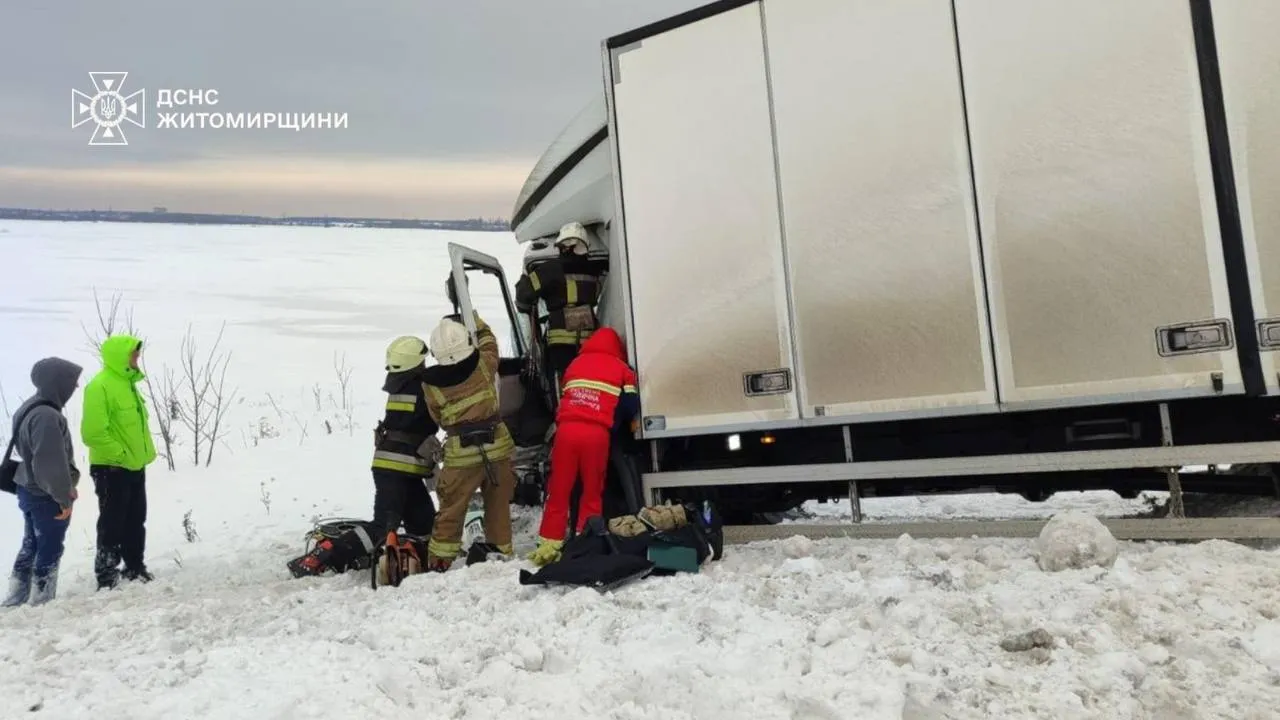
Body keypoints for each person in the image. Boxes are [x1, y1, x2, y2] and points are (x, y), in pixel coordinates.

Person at [287, 336, 442, 580]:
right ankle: (325, 555)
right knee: (382, 526)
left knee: (424, 524)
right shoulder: (423, 387)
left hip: (403, 470)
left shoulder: (400, 386)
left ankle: (412, 556)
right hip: (397, 470)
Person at [529, 327, 639, 567]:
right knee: (592, 489)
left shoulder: (575, 364)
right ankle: (586, 542)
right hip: (596, 435)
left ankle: (548, 546)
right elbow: (630, 404)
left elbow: (566, 393)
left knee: (558, 490)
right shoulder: (622, 369)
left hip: (566, 432)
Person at [421, 310, 517, 571]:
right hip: (497, 449)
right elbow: (489, 341)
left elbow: (438, 417)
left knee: (452, 508)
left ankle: (440, 562)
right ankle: (500, 554)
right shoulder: (484, 364)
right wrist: (472, 317)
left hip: (460, 454)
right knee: (498, 505)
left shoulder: (430, 386)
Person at [2, 357, 83, 607]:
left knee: (32, 543)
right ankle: (42, 600)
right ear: (56, 382)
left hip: (28, 488)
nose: (75, 387)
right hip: (45, 494)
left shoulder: (31, 406)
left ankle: (16, 596)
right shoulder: (47, 416)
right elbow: (50, 463)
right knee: (48, 547)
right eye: (71, 382)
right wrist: (63, 497)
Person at [81, 334, 158, 589]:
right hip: (112, 469)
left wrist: (135, 458)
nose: (137, 358)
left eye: (137, 354)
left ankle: (135, 567)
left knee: (136, 520)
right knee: (112, 523)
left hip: (134, 466)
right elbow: (93, 433)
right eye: (134, 354)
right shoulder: (100, 386)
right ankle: (106, 576)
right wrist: (121, 455)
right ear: (120, 357)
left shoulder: (127, 384)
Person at [514, 221, 609, 393]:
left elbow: (524, 294)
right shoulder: (595, 271)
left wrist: (524, 282)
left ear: (562, 246)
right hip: (590, 347)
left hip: (561, 348)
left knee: (563, 391)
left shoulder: (550, 270)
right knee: (587, 389)